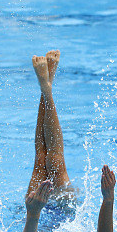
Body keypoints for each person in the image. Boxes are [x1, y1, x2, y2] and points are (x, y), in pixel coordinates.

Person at [27, 51, 72, 201]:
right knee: (56, 162)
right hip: (65, 212)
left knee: (40, 159)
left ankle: (46, 87)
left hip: (36, 212)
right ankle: (47, 86)